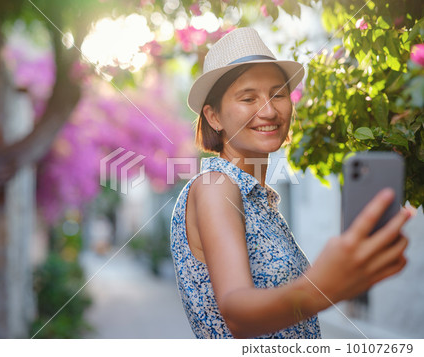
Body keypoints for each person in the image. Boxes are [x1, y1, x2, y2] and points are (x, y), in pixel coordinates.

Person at [169, 27, 411, 339]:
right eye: (248, 97)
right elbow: (237, 312)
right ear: (214, 117)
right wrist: (324, 286)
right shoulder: (216, 185)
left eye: (278, 94)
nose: (268, 110)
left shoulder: (258, 200)